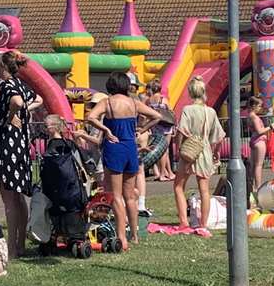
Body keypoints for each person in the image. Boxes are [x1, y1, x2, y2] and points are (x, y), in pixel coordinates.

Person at [87, 72, 163, 250]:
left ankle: (122, 237)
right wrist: (141, 130)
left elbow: (90, 117)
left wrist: (106, 130)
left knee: (116, 196)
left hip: (114, 149)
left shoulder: (107, 102)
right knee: (130, 195)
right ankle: (134, 235)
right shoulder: (134, 103)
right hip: (131, 149)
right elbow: (157, 117)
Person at [0, 51, 36, 259]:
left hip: (7, 146)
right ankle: (20, 244)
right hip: (20, 145)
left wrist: (11, 115)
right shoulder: (21, 84)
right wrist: (22, 110)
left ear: (4, 68)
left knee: (9, 199)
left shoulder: (7, 86)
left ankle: (11, 248)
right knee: (18, 197)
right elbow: (38, 99)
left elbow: (16, 102)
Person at [171, 77, 224, 228]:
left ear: (190, 92)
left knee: (178, 186)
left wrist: (179, 146)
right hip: (205, 150)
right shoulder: (211, 112)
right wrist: (216, 153)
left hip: (190, 151)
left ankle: (183, 221)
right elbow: (219, 136)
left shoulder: (188, 110)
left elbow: (181, 130)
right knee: (204, 190)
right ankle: (203, 224)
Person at [245, 94, 270, 198]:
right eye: (259, 106)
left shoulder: (249, 117)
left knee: (254, 165)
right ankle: (258, 186)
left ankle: (252, 186)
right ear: (253, 106)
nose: (260, 108)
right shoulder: (255, 118)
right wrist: (270, 127)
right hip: (259, 141)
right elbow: (260, 131)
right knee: (259, 165)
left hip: (254, 140)